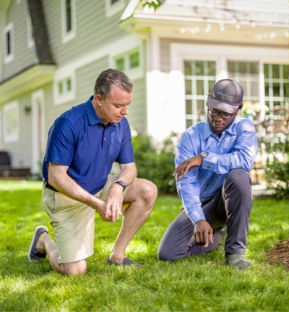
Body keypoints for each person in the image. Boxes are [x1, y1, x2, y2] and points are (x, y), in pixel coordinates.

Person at [28, 69, 158, 275]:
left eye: (127, 105)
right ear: (99, 99)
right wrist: (97, 204)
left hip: (99, 186)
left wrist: (117, 187)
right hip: (66, 196)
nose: (125, 112)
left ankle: (117, 255)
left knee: (147, 190)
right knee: (75, 271)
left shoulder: (120, 124)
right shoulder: (68, 123)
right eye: (118, 105)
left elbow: (129, 168)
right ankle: (43, 240)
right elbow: (56, 176)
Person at [157, 79, 258, 269]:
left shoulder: (244, 128)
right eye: (214, 110)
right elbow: (186, 183)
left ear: (237, 110)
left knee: (239, 176)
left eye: (225, 113)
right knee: (168, 254)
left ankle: (235, 253)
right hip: (201, 204)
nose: (218, 118)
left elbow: (245, 161)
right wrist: (199, 219)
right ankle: (215, 236)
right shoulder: (190, 137)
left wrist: (204, 157)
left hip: (227, 200)